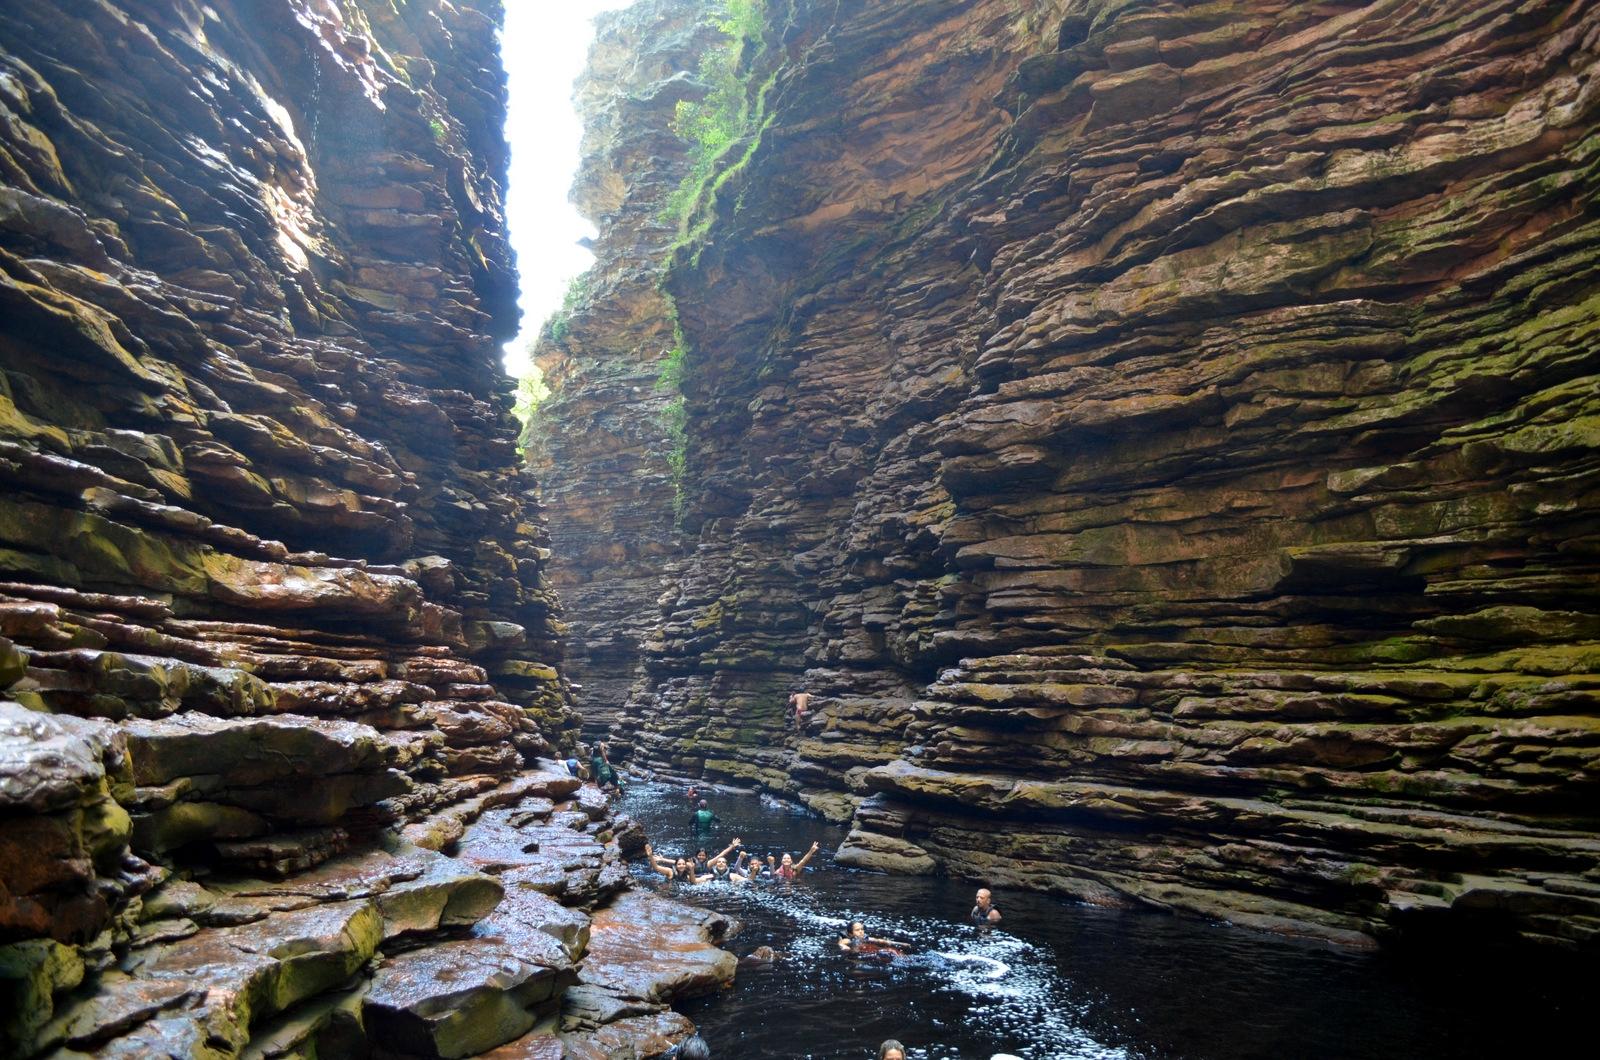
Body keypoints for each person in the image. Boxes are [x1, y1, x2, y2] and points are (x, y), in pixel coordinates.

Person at [838, 921, 911, 958]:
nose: (861, 931)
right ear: (851, 933)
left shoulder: (865, 938)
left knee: (892, 950)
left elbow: (880, 940)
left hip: (872, 950)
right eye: (857, 930)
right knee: (889, 952)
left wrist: (900, 943)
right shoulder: (849, 939)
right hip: (864, 952)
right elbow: (841, 943)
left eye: (862, 929)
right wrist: (844, 947)